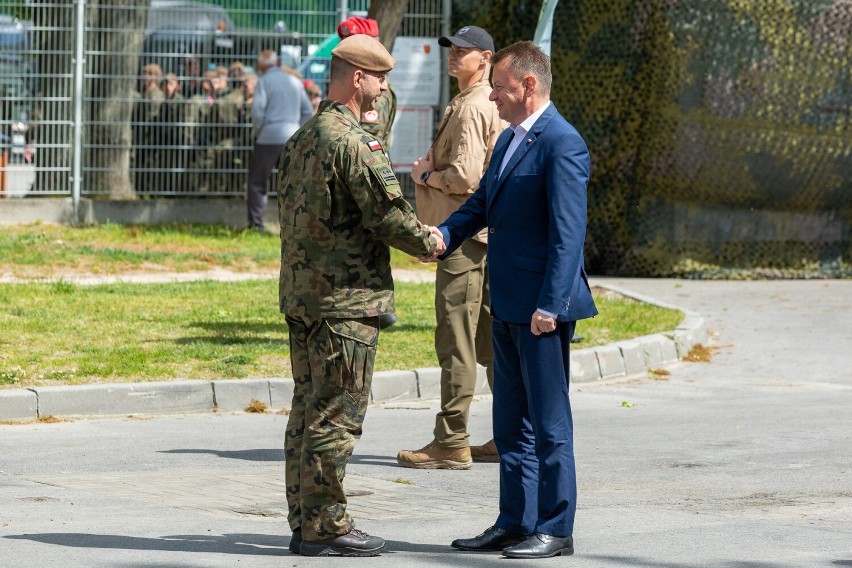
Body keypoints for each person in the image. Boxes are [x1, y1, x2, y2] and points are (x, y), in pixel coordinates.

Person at [277, 34, 445, 557]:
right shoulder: (352, 142)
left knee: (306, 411)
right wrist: (430, 241)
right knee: (337, 416)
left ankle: (304, 521)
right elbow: (386, 214)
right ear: (357, 79)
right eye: (380, 78)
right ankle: (327, 525)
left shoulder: (303, 136)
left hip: (304, 299)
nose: (384, 87)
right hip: (346, 303)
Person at [439, 41, 597, 559]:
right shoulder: (511, 140)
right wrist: (443, 236)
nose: (493, 98)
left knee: (549, 424)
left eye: (501, 89)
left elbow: (568, 235)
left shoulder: (562, 142)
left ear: (529, 87)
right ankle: (516, 521)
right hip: (506, 302)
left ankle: (556, 526)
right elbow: (482, 202)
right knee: (510, 425)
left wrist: (550, 306)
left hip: (541, 312)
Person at [396, 26, 505, 470]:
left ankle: (451, 441)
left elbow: (464, 178)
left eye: (463, 51)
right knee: (489, 343)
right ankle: (515, 433)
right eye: (451, 50)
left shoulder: (472, 107)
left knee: (457, 340)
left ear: (486, 58)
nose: (452, 56)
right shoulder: (484, 102)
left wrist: (425, 176)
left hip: (462, 239)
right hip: (485, 237)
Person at [336, 17, 399, 329]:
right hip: (353, 167)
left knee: (371, 236)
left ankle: (377, 306)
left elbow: (367, 137)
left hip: (366, 170)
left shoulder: (377, 92)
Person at [248, 49, 312, 230]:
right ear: (277, 63)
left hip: (268, 137)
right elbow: (307, 110)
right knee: (293, 183)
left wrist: (259, 131)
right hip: (291, 136)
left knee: (258, 182)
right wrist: (298, 130)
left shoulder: (264, 81)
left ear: (261, 66)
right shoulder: (294, 81)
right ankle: (296, 225)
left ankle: (256, 224)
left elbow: (257, 111)